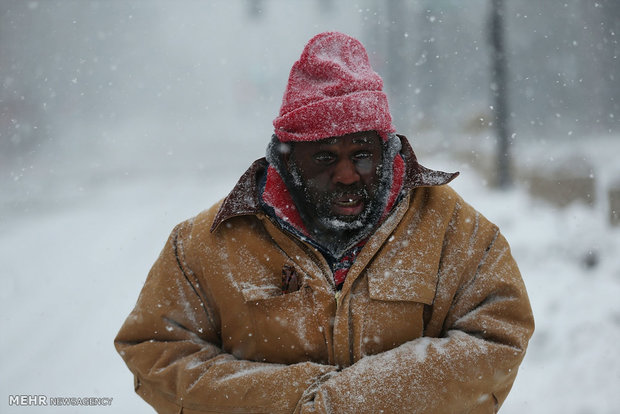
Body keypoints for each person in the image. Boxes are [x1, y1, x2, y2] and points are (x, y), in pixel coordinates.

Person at [115, 32, 534, 414]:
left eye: (362, 154)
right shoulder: (207, 243)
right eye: (324, 158)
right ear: (286, 160)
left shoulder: (452, 229)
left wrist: (359, 399)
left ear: (387, 151)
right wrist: (296, 398)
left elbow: (498, 334)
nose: (348, 174)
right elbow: (155, 349)